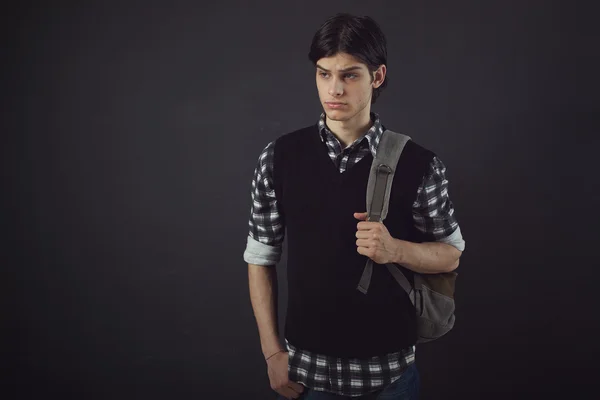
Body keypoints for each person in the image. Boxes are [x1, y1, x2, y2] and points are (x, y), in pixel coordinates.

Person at [244, 13, 466, 400]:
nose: (335, 89)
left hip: (390, 375)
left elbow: (450, 256)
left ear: (376, 77)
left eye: (349, 75)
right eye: (324, 74)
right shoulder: (279, 157)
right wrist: (271, 351)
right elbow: (260, 257)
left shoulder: (419, 164)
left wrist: (395, 249)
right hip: (307, 374)